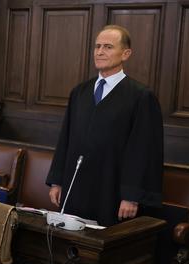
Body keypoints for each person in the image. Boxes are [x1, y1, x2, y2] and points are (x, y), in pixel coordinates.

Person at [46, 25, 163, 226]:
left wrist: (131, 195)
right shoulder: (79, 92)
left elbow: (143, 150)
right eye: (97, 46)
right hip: (76, 188)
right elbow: (66, 138)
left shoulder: (141, 97)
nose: (100, 52)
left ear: (125, 53)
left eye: (108, 47)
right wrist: (57, 181)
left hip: (112, 190)